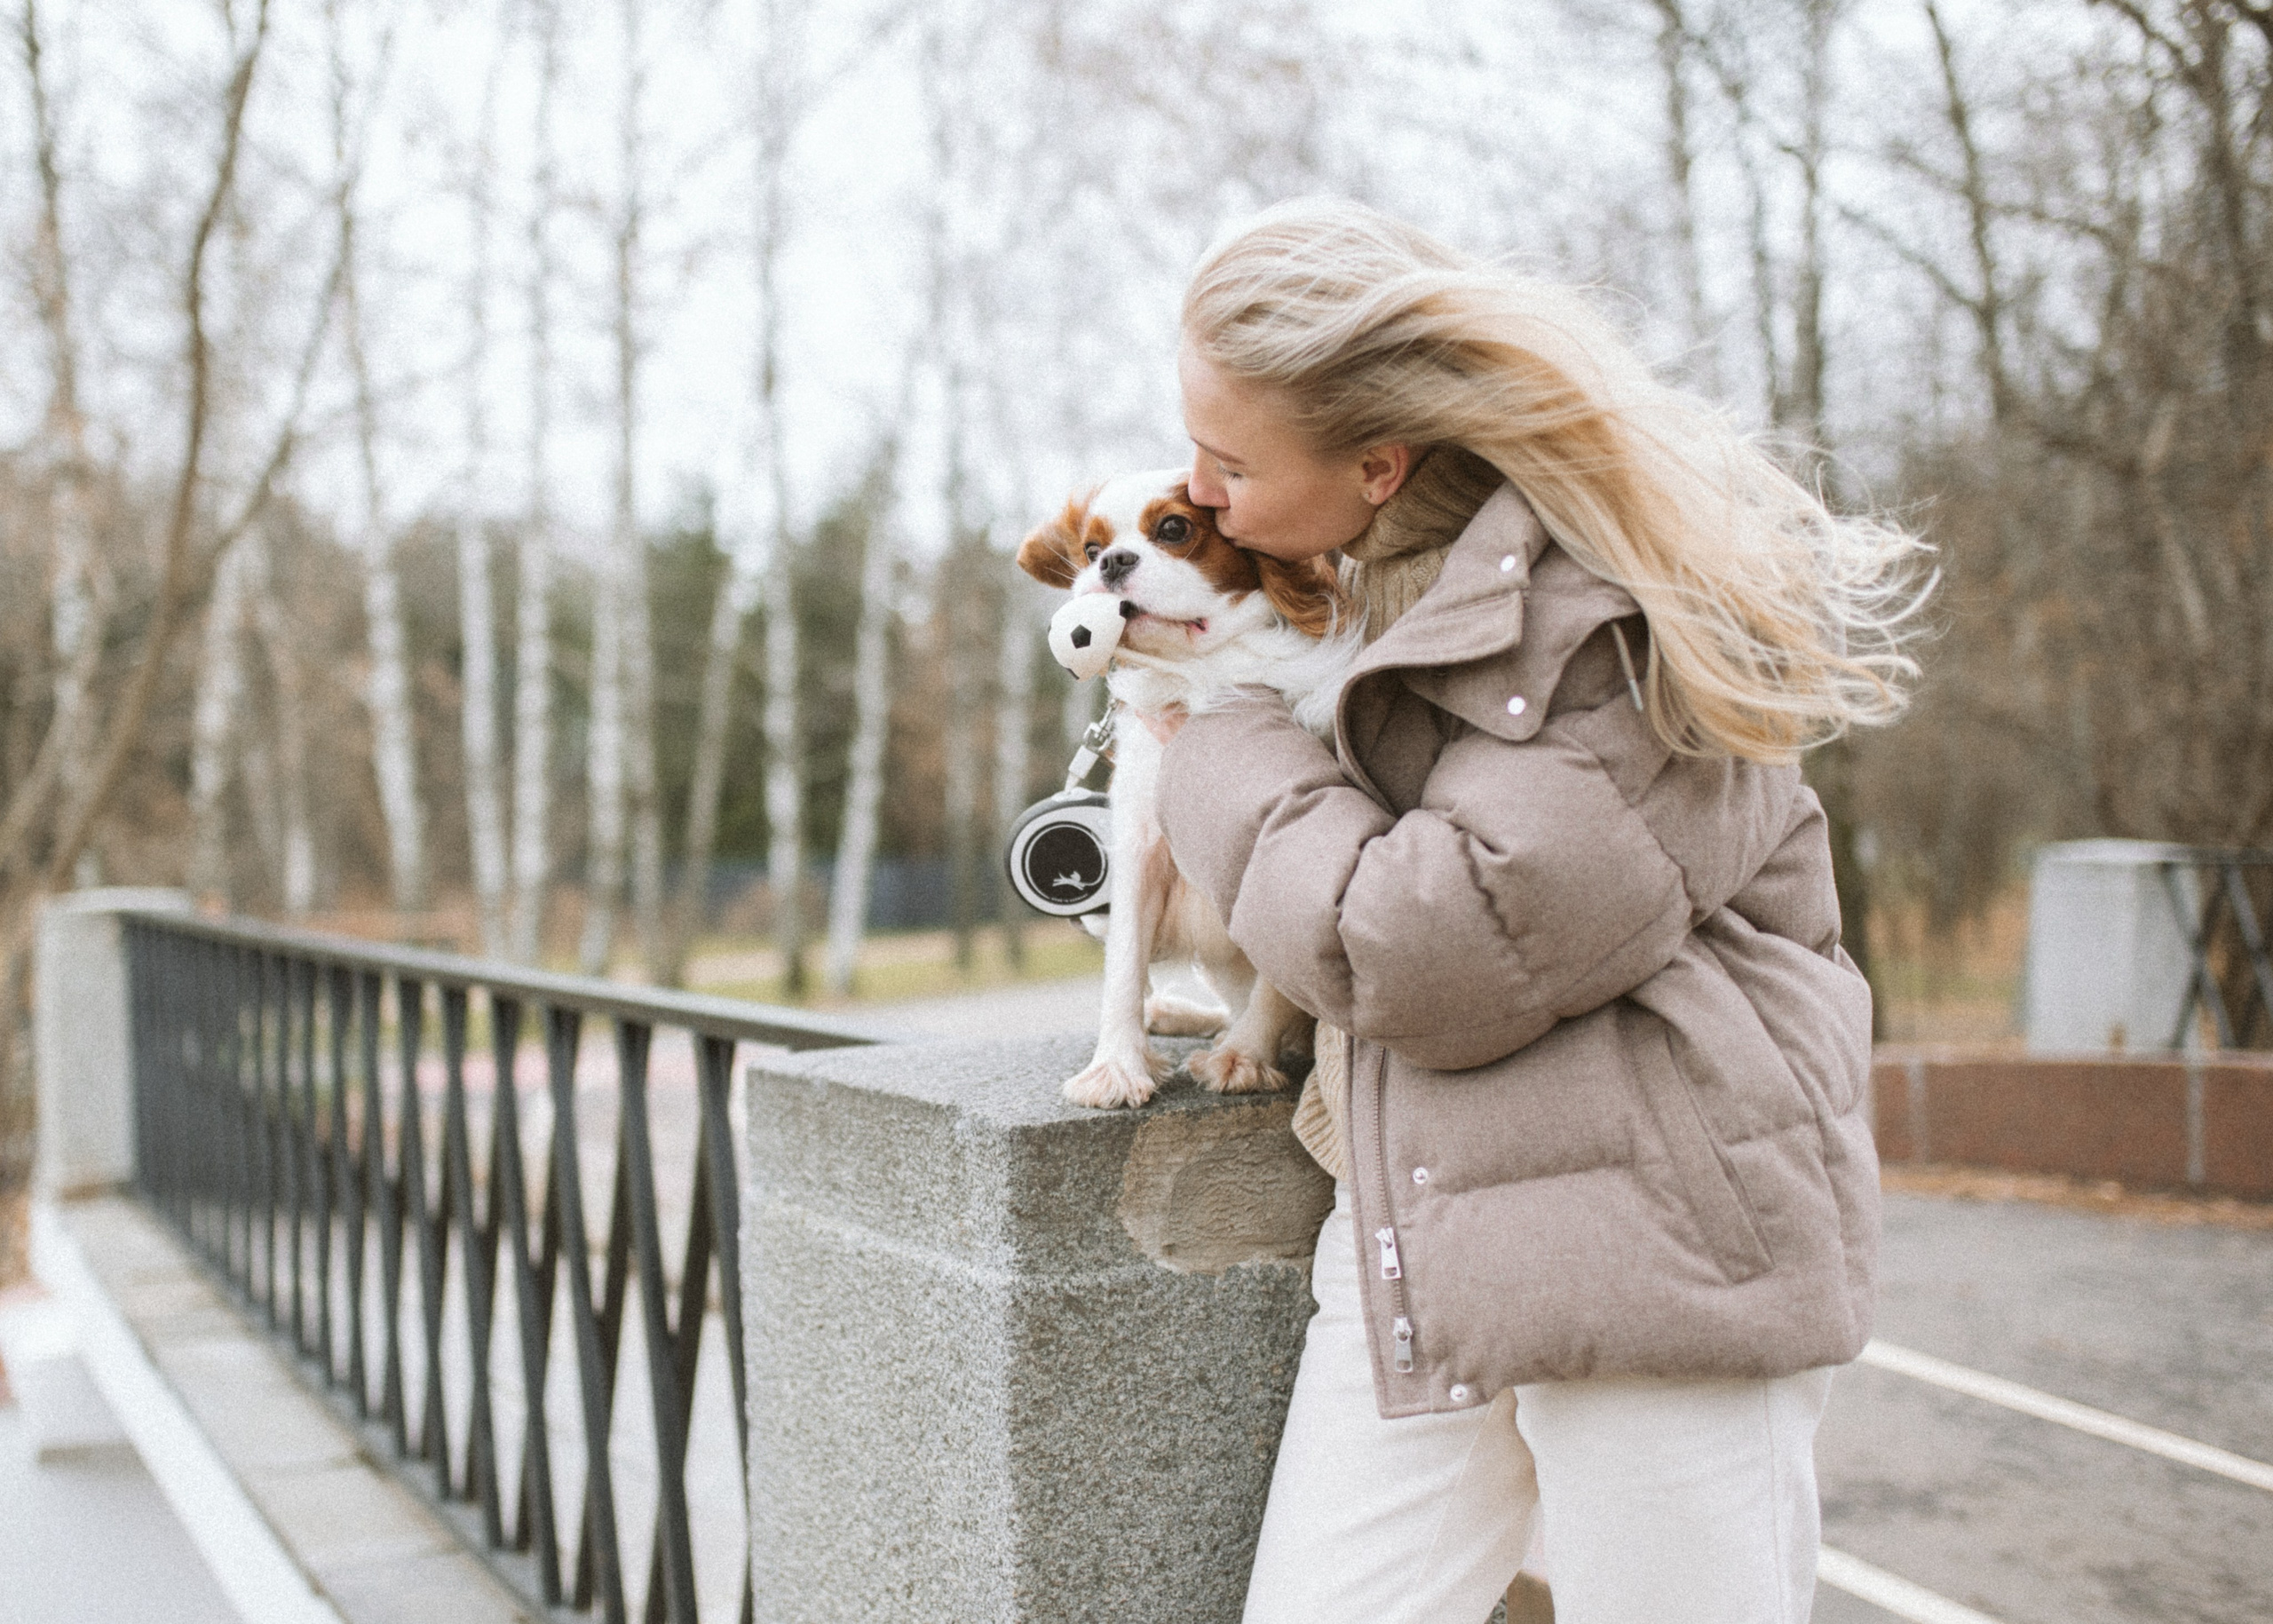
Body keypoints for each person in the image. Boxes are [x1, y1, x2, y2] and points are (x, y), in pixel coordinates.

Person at [1147, 199, 1927, 1624]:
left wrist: (1211, 742)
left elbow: (1430, 947)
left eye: (1229, 461)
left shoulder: (1628, 609)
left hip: (1663, 1269)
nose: (1201, 499)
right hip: (1429, 1239)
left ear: (1378, 462)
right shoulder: (1382, 592)